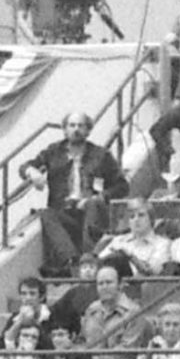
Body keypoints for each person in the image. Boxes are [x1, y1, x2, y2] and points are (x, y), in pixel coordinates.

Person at [22, 112, 125, 275]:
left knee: (92, 205)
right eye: (72, 125)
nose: (76, 130)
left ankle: (89, 258)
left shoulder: (101, 155)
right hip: (64, 211)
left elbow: (122, 186)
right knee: (45, 213)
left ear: (88, 130)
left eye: (80, 126)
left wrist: (98, 197)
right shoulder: (53, 152)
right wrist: (31, 171)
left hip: (93, 212)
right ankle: (72, 260)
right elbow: (26, 165)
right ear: (64, 129)